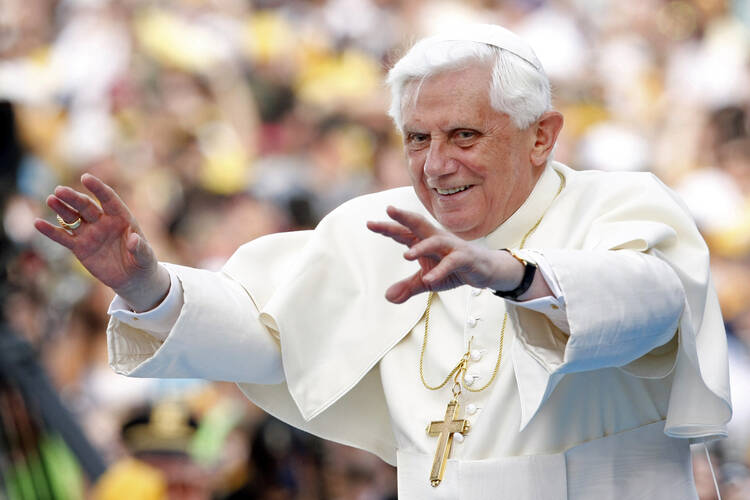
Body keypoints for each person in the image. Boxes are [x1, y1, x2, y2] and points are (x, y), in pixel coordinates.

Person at [35, 24, 731, 499]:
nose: (437, 164)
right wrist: (145, 283)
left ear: (541, 134)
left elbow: (649, 303)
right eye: (418, 138)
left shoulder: (619, 205)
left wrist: (516, 276)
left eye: (464, 135)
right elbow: (267, 333)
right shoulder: (378, 228)